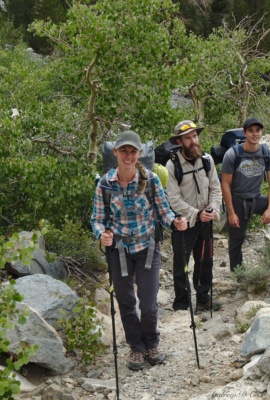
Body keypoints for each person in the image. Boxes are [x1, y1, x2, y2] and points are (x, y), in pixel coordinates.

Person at [91, 129, 188, 371]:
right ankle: (136, 347)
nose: (128, 155)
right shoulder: (105, 184)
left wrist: (176, 222)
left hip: (147, 247)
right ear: (115, 152)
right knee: (125, 301)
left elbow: (163, 211)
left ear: (139, 153)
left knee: (148, 303)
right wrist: (101, 234)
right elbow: (97, 219)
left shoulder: (151, 181)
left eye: (132, 151)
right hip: (119, 251)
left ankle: (152, 342)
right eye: (123, 150)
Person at [221, 117, 270, 271]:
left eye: (258, 130)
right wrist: (231, 213)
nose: (255, 134)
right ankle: (238, 273)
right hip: (237, 199)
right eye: (251, 131)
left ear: (261, 132)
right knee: (237, 239)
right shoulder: (232, 154)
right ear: (245, 133)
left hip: (255, 197)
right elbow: (225, 184)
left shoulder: (266, 153)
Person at [166, 120, 223, 311]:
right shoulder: (172, 166)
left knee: (205, 260)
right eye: (188, 138)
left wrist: (212, 208)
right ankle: (182, 303)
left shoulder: (207, 160)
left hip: (206, 220)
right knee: (181, 262)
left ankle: (203, 298)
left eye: (195, 136)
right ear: (179, 142)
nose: (193, 141)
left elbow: (216, 187)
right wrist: (197, 214)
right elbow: (173, 199)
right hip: (184, 223)